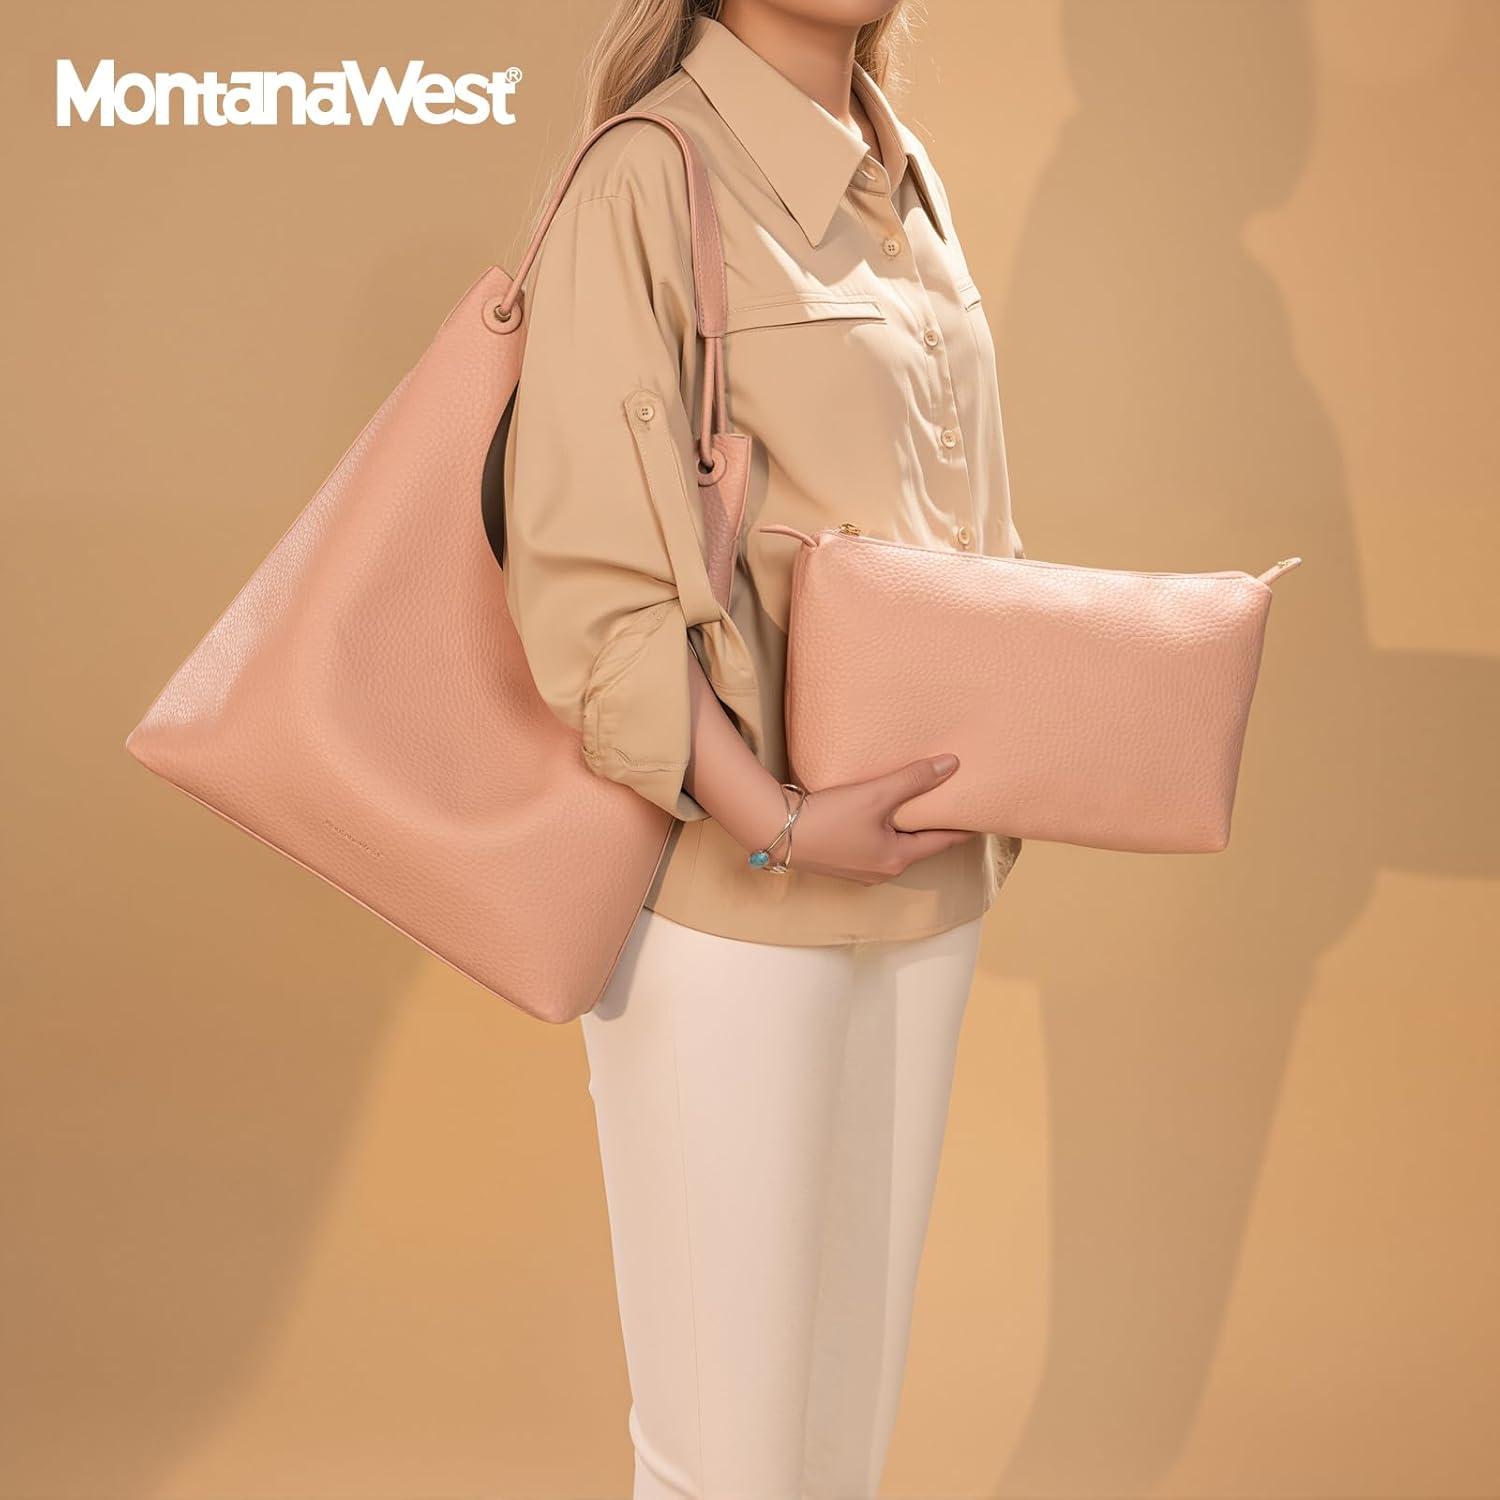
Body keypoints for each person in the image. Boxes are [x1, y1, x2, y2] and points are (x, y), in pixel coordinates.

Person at [501, 2, 1027, 1493]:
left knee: (836, 1448)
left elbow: (963, 531)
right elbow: (592, 590)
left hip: (924, 886)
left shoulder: (904, 175)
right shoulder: (650, 174)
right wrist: (781, 822)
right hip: (733, 895)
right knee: (725, 1458)